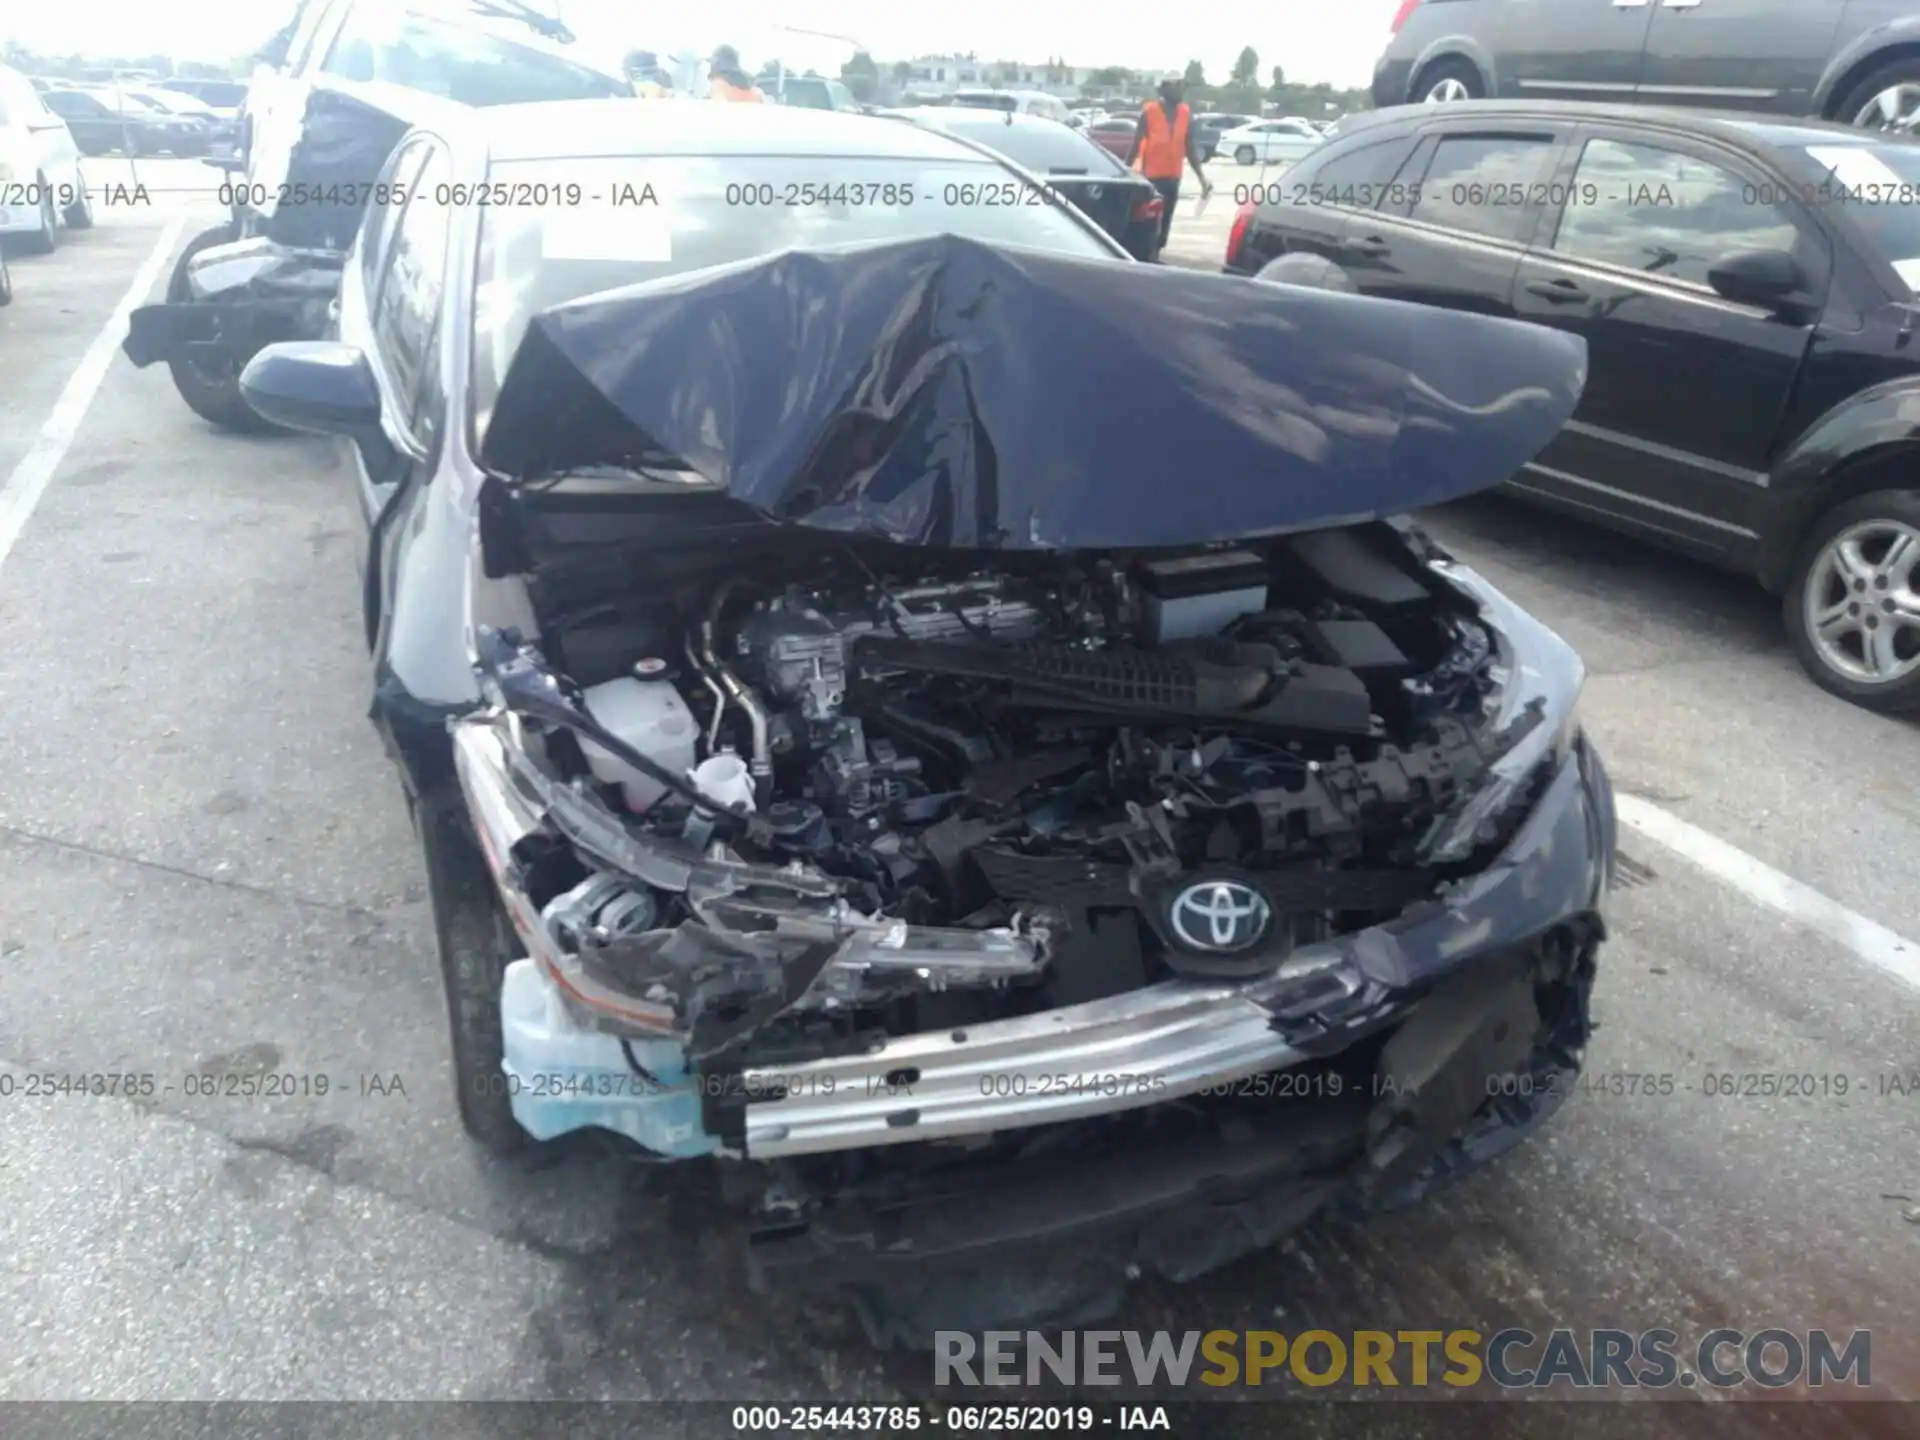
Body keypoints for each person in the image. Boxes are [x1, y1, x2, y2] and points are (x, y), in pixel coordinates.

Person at [1127, 71, 1212, 252]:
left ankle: (1156, 255)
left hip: (1173, 178)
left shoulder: (1185, 113)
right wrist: (1123, 171)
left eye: (1183, 86)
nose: (1182, 90)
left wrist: (1202, 178)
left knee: (1165, 225)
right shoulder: (1149, 113)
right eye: (1178, 86)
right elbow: (1135, 146)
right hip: (1152, 181)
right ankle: (1148, 257)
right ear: (1165, 88)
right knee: (1149, 226)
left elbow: (1189, 147)